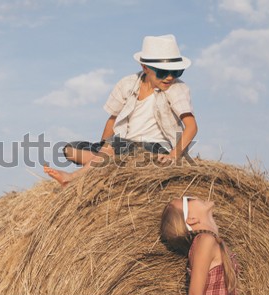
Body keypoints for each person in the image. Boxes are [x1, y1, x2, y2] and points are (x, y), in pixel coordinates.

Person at [44, 34, 198, 187]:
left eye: (176, 72)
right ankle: (109, 165)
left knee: (114, 145)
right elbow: (113, 119)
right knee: (70, 150)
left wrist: (173, 156)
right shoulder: (127, 84)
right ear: (145, 67)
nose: (170, 77)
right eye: (163, 72)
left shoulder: (177, 88)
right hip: (124, 147)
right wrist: (103, 148)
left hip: (156, 149)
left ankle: (73, 177)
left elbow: (191, 126)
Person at [160, 196, 238, 295]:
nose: (196, 197)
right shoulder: (205, 240)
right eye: (188, 199)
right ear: (192, 219)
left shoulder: (212, 242)